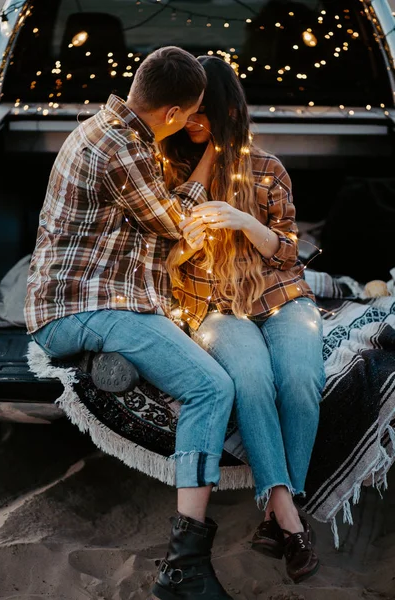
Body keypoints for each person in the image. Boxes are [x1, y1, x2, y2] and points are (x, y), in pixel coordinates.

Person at [24, 47, 237, 600]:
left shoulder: (107, 127)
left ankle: (115, 361)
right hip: (84, 308)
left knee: (176, 358)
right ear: (172, 114)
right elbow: (175, 224)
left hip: (89, 298)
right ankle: (183, 567)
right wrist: (212, 158)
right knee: (211, 387)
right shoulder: (124, 150)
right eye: (187, 117)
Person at [163, 55, 326, 585]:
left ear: (226, 110)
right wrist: (187, 241)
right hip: (214, 306)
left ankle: (277, 517)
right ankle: (286, 515)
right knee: (251, 381)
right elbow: (161, 259)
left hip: (283, 297)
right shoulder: (169, 169)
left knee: (300, 379)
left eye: (201, 111)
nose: (190, 120)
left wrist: (245, 222)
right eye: (186, 110)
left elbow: (288, 253)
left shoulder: (267, 167)